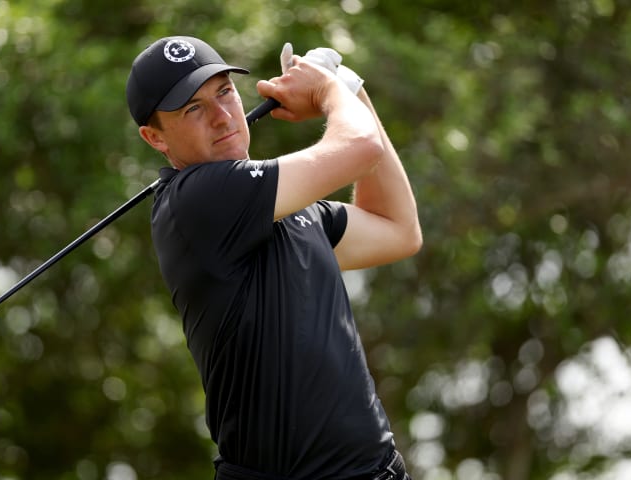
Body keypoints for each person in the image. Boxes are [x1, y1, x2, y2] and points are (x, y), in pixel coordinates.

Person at [126, 36, 421, 480]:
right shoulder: (194, 201)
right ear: (155, 138)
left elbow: (398, 230)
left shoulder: (289, 207)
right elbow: (361, 148)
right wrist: (326, 91)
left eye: (224, 91)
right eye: (193, 109)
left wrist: (350, 87)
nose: (223, 117)